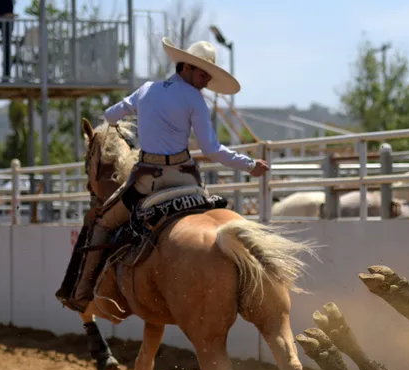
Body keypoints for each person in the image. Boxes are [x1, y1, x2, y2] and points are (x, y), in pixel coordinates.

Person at [66, 36, 270, 313]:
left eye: (208, 75)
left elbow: (110, 115)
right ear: (185, 67)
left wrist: (129, 122)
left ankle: (82, 292)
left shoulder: (147, 90)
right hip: (187, 180)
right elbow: (211, 149)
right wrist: (249, 165)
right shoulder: (195, 101)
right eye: (203, 73)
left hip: (147, 182)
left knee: (103, 223)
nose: (206, 80)